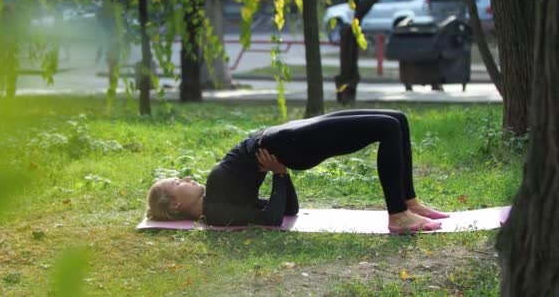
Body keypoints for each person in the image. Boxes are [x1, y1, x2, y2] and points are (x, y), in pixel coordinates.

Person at [146, 109, 449, 233]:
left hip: (280, 139)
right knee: (387, 126)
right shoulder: (215, 209)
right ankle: (397, 215)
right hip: (288, 145)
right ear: (176, 204)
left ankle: (409, 202)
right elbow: (275, 216)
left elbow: (287, 210)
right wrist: (279, 173)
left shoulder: (218, 193)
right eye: (178, 182)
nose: (186, 178)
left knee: (397, 117)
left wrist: (280, 174)